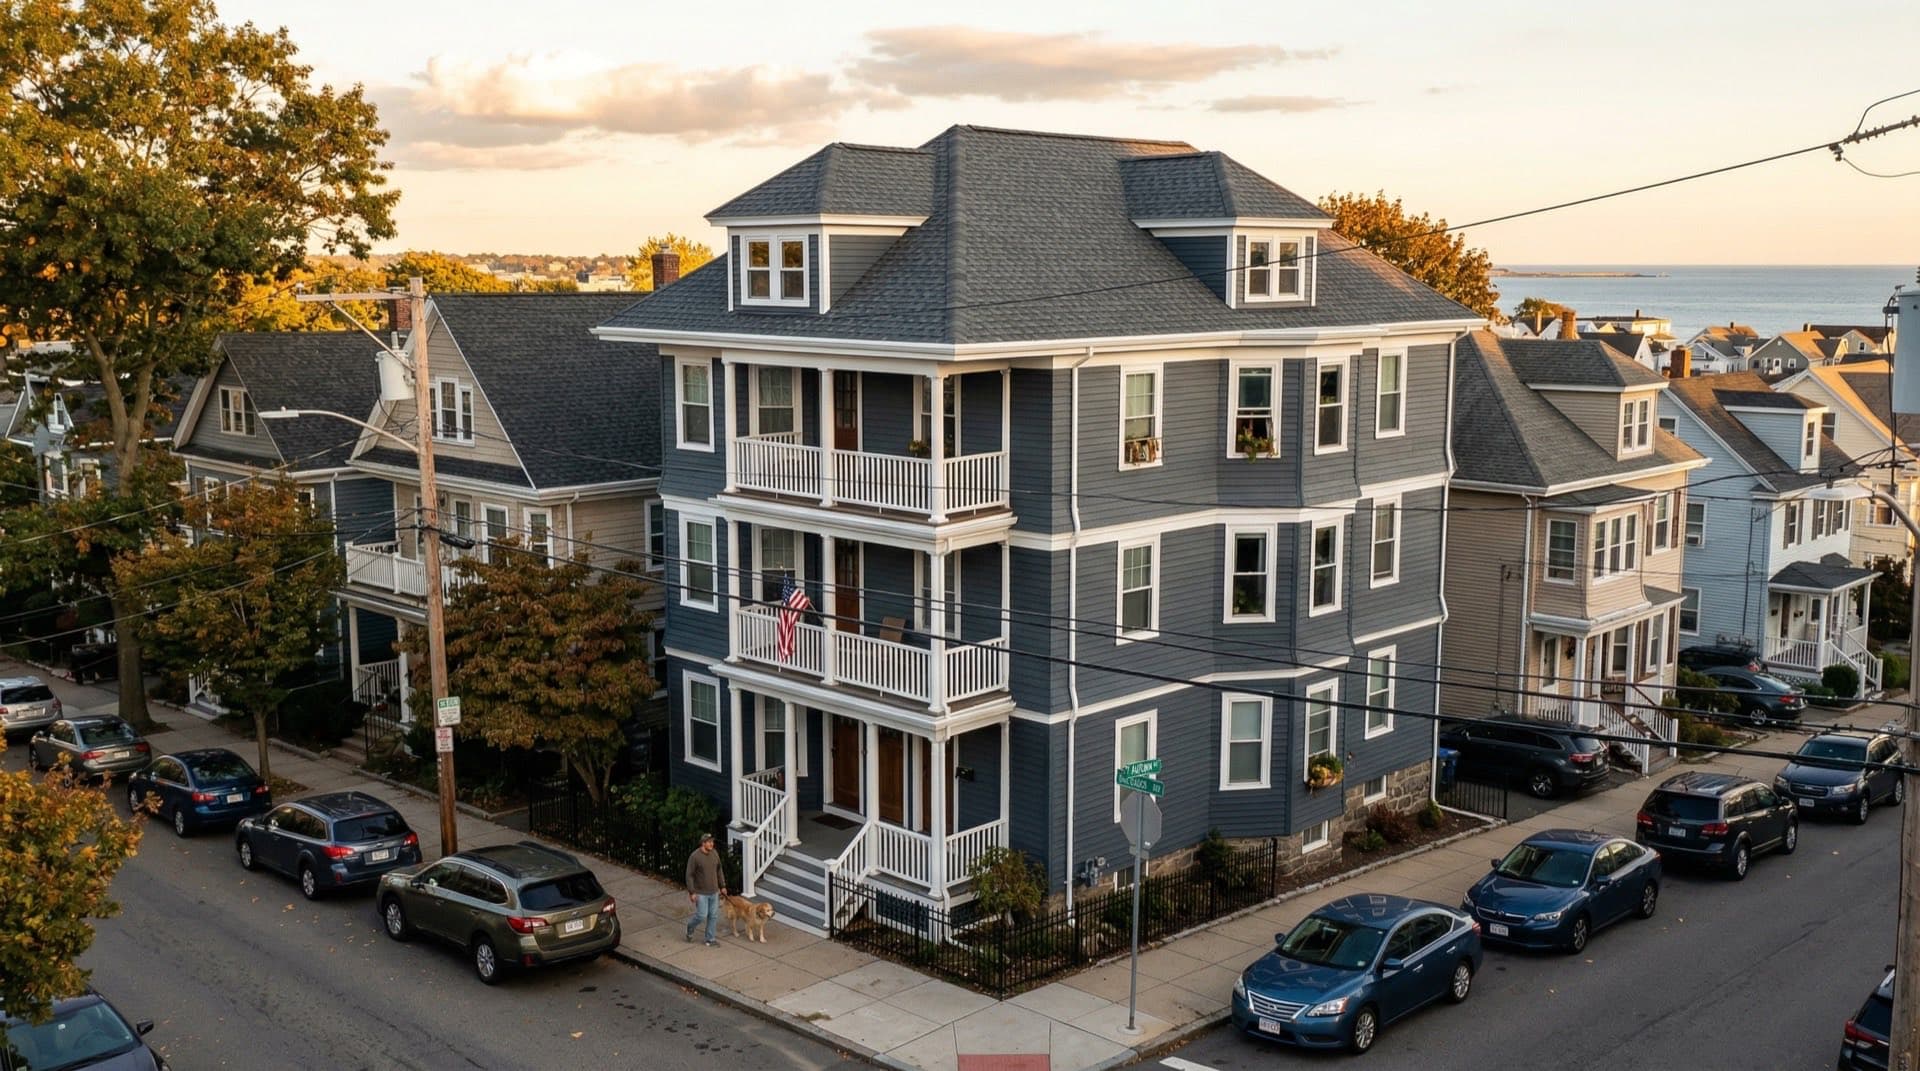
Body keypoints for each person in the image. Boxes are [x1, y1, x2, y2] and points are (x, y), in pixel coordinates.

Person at [685, 832, 723, 946]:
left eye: (712, 842)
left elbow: (719, 870)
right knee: (701, 915)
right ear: (703, 843)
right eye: (709, 842)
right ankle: (689, 928)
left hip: (714, 891)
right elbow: (689, 875)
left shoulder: (715, 853)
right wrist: (692, 892)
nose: (712, 844)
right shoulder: (695, 856)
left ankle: (710, 939)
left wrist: (723, 886)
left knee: (713, 915)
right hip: (701, 893)